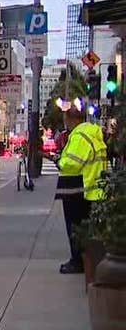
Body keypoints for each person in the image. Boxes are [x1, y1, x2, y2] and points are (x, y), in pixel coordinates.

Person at [55, 102, 108, 274]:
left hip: (76, 189)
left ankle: (77, 261)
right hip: (91, 188)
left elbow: (71, 163)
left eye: (65, 118)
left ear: (70, 119)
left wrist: (59, 161)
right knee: (86, 227)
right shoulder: (93, 133)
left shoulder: (79, 136)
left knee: (75, 227)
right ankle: (85, 260)